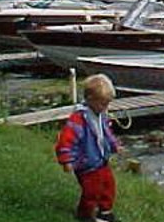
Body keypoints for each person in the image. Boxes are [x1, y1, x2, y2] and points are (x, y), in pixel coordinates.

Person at [56, 74, 122, 222]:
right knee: (92, 190)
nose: (105, 108)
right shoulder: (79, 119)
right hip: (86, 162)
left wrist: (114, 145)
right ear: (90, 99)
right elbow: (66, 141)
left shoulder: (100, 115)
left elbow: (105, 133)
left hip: (100, 160)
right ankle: (85, 213)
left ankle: (105, 211)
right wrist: (66, 160)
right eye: (103, 104)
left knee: (108, 184)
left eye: (107, 104)